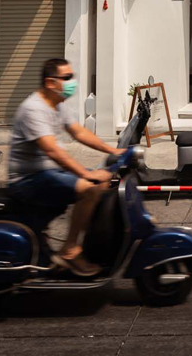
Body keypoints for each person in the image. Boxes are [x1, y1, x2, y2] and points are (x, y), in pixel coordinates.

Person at [8, 57, 121, 276]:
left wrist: (113, 151)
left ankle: (91, 244)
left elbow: (79, 132)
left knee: (106, 180)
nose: (72, 82)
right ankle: (70, 249)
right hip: (27, 179)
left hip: (48, 173)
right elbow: (52, 151)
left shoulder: (57, 104)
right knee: (90, 189)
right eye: (67, 77)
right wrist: (85, 175)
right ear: (51, 83)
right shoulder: (34, 109)